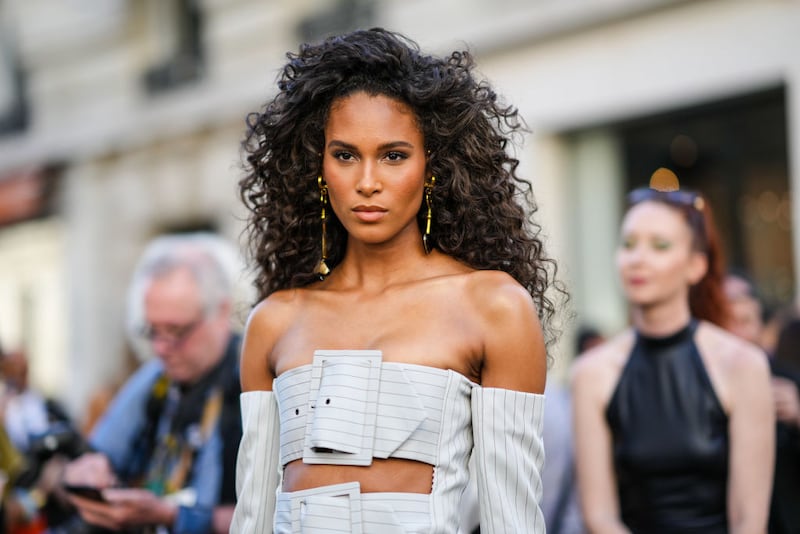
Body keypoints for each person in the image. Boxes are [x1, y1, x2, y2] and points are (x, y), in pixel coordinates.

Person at [231, 27, 563, 533]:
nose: (368, 181)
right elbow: (251, 517)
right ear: (318, 167)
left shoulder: (493, 306)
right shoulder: (274, 322)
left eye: (393, 155)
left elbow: (513, 521)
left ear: (433, 166)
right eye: (345, 155)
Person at [572, 184, 775, 533]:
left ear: (695, 266)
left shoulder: (743, 365)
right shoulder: (591, 373)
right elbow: (599, 516)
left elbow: (749, 520)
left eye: (660, 246)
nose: (638, 258)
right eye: (628, 244)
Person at [62, 233, 244, 534]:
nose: (160, 348)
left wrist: (168, 515)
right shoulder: (155, 377)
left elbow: (271, 516)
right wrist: (83, 471)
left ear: (222, 311)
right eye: (152, 331)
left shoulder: (252, 380)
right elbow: (97, 453)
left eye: (176, 331)